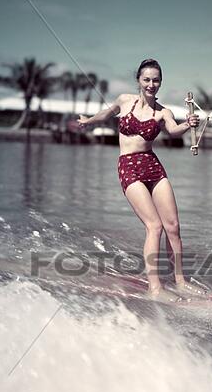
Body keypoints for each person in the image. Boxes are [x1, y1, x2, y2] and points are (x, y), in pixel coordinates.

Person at [77, 59, 204, 301]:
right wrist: (88, 121)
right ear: (139, 80)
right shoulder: (125, 100)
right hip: (128, 167)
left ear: (160, 82)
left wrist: (188, 124)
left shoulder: (163, 112)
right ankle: (154, 287)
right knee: (154, 226)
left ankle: (180, 282)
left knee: (173, 227)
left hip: (152, 166)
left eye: (156, 80)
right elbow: (106, 113)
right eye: (147, 79)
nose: (151, 84)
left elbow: (173, 130)